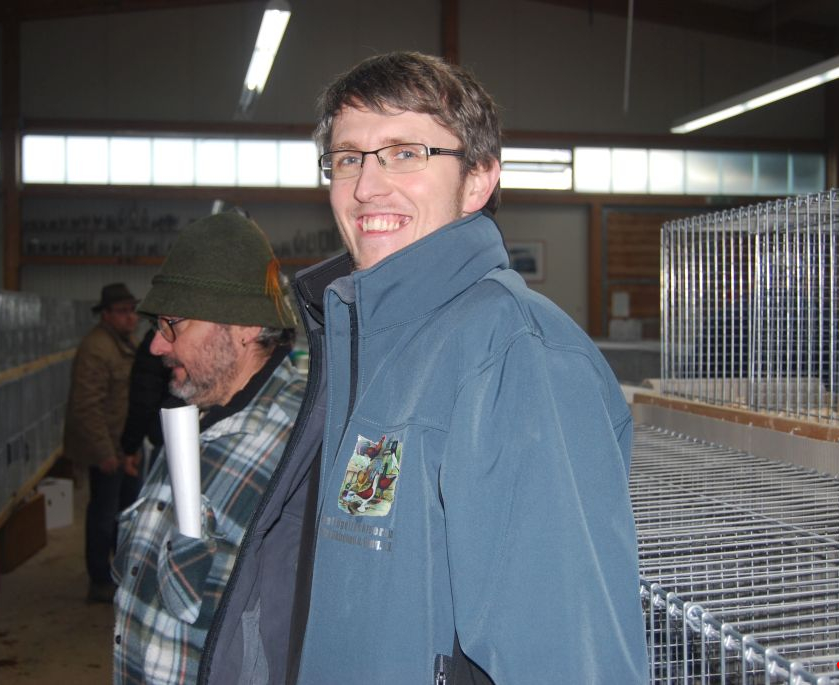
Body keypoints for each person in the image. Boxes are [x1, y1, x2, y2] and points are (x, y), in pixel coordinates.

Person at [194, 51, 648, 685]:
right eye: (347, 158)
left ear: (478, 180)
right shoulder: (366, 339)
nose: (366, 186)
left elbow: (569, 658)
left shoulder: (516, 355)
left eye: (405, 153)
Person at [111, 213, 306, 685]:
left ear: (244, 326)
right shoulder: (193, 419)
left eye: (172, 325)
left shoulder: (297, 446)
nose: (157, 346)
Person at [63, 282, 141, 604]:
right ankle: (99, 580)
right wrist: (104, 453)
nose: (130, 317)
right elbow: (86, 406)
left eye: (132, 311)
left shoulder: (122, 343)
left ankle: (118, 572)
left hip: (122, 446)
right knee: (103, 515)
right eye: (122, 312)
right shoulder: (97, 349)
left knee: (123, 512)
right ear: (106, 314)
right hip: (107, 449)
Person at [119, 326, 176, 475]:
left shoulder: (155, 341)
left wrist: (130, 446)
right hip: (167, 434)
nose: (156, 347)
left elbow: (144, 399)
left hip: (168, 437)